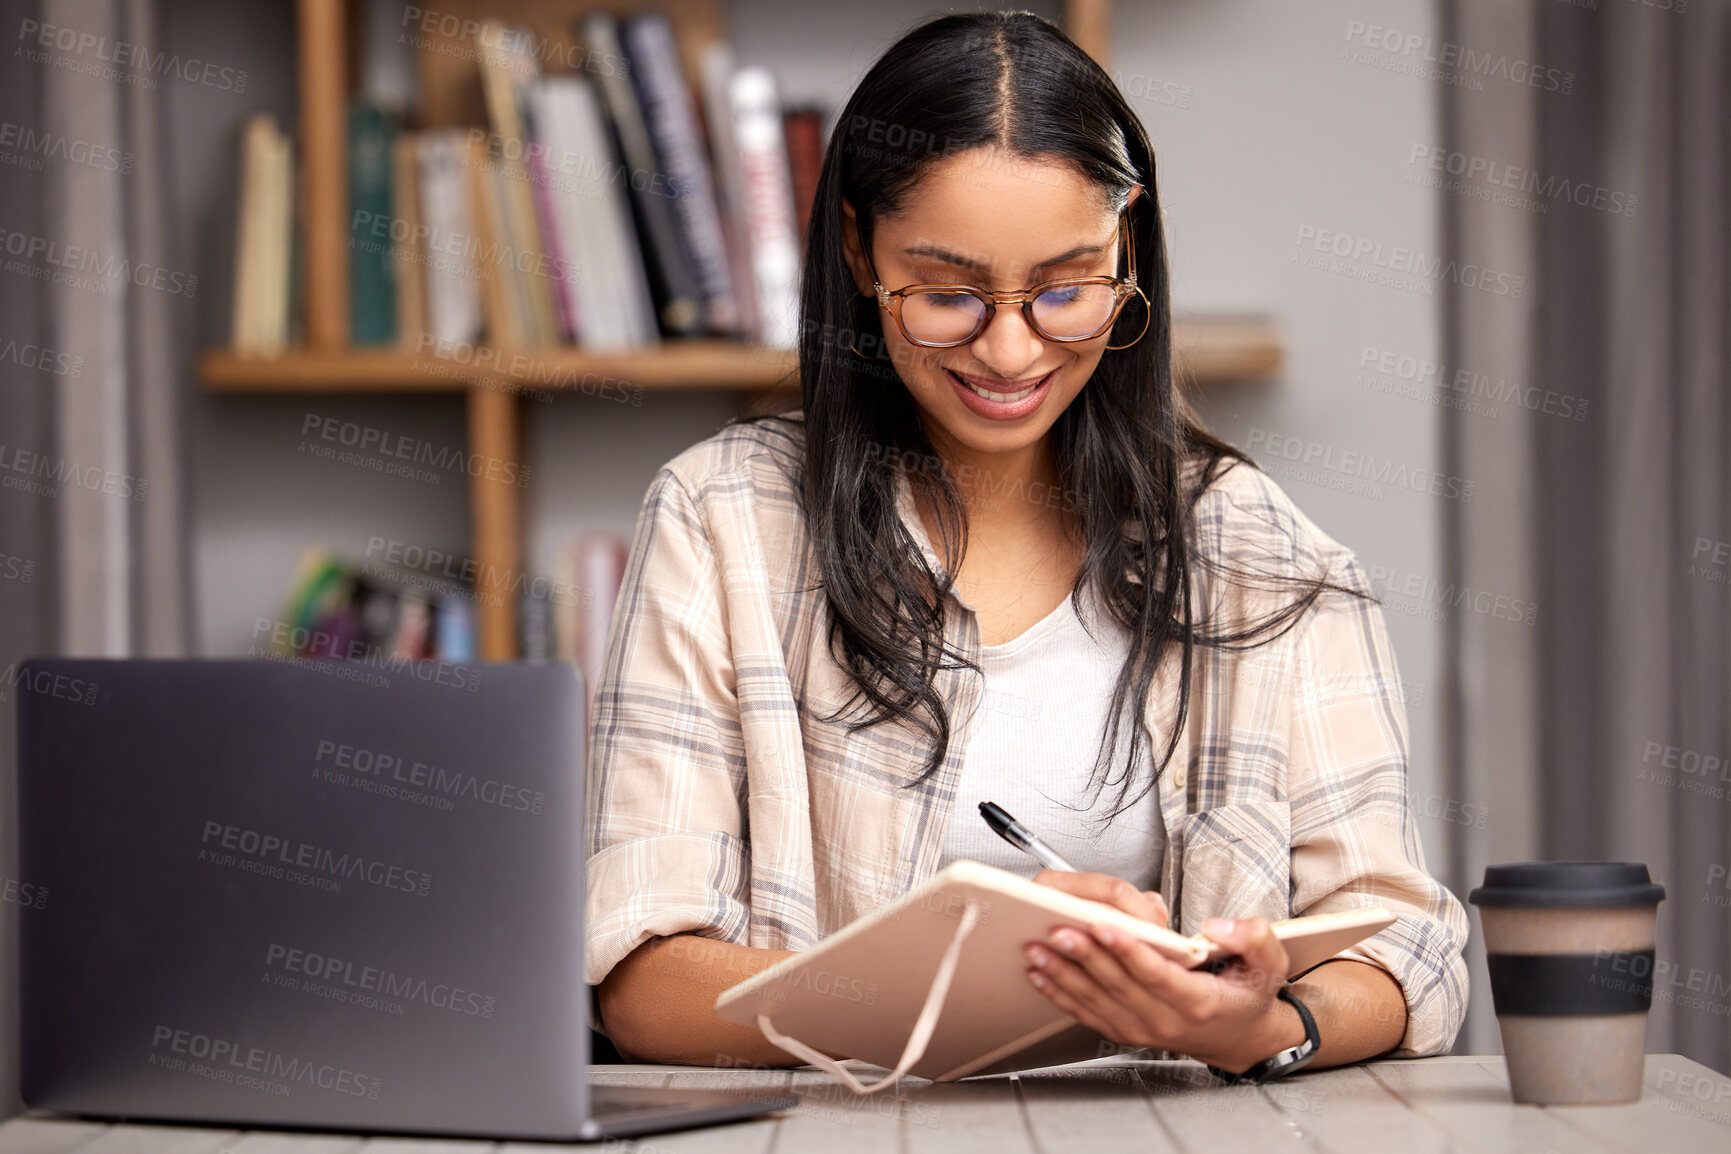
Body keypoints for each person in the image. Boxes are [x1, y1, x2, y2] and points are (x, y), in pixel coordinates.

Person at [585, 11, 1468, 1078]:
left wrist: (1263, 1024)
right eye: (949, 294)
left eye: (1065, 289)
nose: (1010, 350)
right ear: (861, 251)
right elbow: (640, 979)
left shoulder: (1256, 545)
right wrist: (967, 975)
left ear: (1127, 244)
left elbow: (1402, 940)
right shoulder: (719, 520)